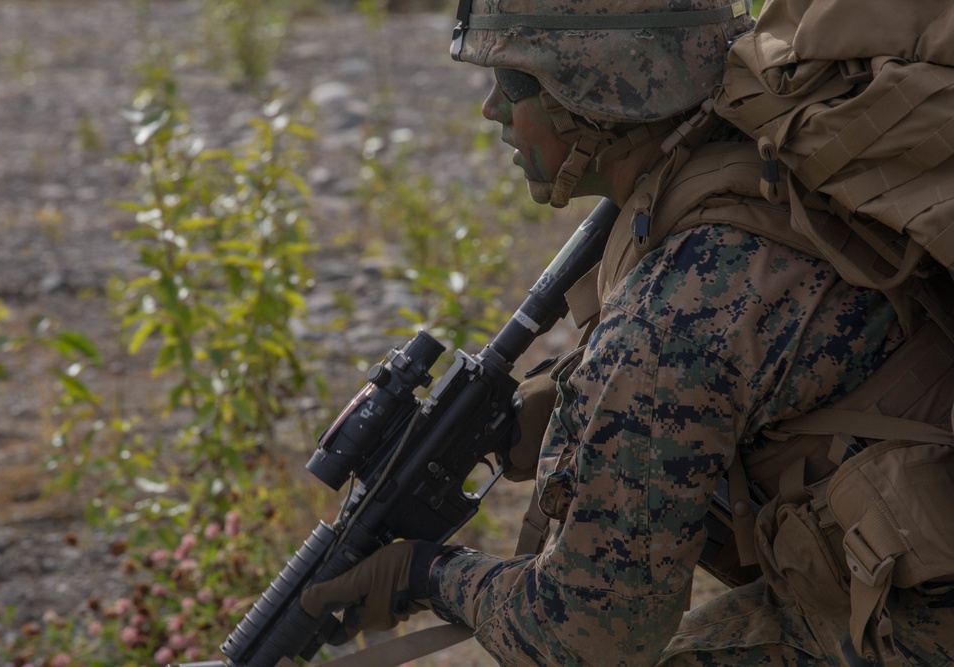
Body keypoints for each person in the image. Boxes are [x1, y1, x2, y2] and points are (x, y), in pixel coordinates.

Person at [302, 0, 954, 664]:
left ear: (593, 98)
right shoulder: (766, 149)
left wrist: (430, 576)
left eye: (516, 85)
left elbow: (589, 635)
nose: (491, 109)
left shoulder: (671, 307)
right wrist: (563, 408)